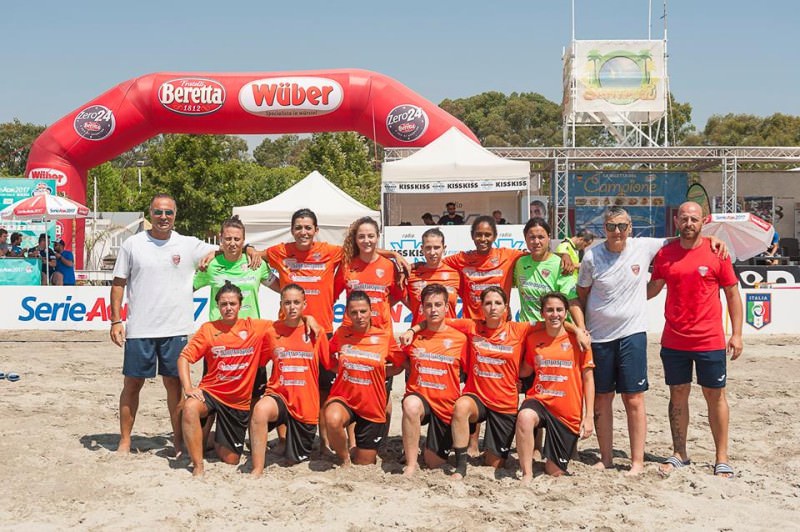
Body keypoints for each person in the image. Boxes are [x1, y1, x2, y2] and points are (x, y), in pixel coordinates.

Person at [577, 206, 725, 476]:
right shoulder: (591, 257)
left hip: (632, 334)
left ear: (630, 227)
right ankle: (606, 458)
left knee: (634, 399)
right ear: (604, 229)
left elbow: (684, 236)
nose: (617, 231)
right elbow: (581, 295)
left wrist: (713, 238)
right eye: (611, 226)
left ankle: (636, 462)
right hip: (598, 337)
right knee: (602, 399)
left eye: (622, 226)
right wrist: (583, 327)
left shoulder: (644, 246)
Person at [403, 287, 589, 479]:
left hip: (504, 404)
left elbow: (551, 321)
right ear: (481, 307)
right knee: (461, 406)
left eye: (498, 303)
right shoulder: (471, 326)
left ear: (506, 308)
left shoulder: (519, 329)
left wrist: (577, 330)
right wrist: (412, 328)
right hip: (477, 398)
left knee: (494, 463)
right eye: (488, 303)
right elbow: (435, 319)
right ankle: (460, 467)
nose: (493, 307)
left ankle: (488, 448)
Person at [110, 194, 221, 455]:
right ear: (150, 214)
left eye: (168, 213)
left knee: (175, 385)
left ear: (175, 215)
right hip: (140, 329)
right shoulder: (133, 245)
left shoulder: (188, 244)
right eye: (158, 212)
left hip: (176, 329)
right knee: (132, 384)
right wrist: (116, 320)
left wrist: (213, 253)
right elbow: (118, 284)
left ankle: (179, 441)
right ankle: (125, 440)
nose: (163, 217)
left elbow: (225, 248)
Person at [647, 201, 743, 478]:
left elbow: (733, 295)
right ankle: (680, 453)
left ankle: (721, 457)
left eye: (694, 219)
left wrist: (736, 334)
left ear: (703, 222)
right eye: (684, 219)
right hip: (674, 340)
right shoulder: (665, 254)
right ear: (676, 221)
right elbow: (653, 289)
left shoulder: (717, 252)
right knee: (677, 395)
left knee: (715, 396)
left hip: (710, 340)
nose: (689, 223)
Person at [178, 282, 270, 476]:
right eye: (223, 304)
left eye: (232, 304)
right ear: (217, 306)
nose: (228, 308)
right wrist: (188, 387)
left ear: (240, 305)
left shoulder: (255, 327)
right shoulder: (208, 329)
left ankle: (212, 438)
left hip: (237, 403)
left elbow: (285, 324)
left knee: (230, 459)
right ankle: (198, 466)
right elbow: (184, 358)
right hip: (211, 393)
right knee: (190, 407)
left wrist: (309, 318)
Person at [249, 284, 330, 475]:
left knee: (293, 461)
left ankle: (293, 443)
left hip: (305, 406)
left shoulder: (316, 333)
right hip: (280, 396)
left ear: (304, 304)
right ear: (281, 305)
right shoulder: (271, 332)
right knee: (260, 410)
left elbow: (330, 365)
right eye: (287, 303)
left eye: (296, 302)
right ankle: (257, 468)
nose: (292, 307)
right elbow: (258, 362)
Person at [516, 292, 595, 480]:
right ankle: (526, 473)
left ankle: (554, 458)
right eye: (549, 310)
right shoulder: (533, 339)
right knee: (525, 416)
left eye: (559, 310)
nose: (555, 314)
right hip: (540, 400)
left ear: (566, 313)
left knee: (554, 472)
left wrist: (589, 416)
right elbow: (525, 370)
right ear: (542, 314)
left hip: (566, 412)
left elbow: (588, 379)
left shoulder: (579, 341)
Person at [322, 291, 405, 466]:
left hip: (371, 406)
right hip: (345, 398)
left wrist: (378, 373)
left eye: (363, 311)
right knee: (332, 418)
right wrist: (343, 368)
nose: (359, 316)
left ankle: (359, 452)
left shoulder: (384, 337)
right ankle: (344, 459)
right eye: (354, 312)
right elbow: (328, 358)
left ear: (371, 311)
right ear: (347, 314)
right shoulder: (342, 333)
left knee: (364, 462)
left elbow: (398, 365)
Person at [397, 284, 468, 477]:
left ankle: (433, 448)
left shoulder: (461, 339)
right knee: (410, 404)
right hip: (421, 399)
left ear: (447, 307)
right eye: (428, 305)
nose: (433, 310)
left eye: (438, 305)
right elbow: (398, 363)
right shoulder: (411, 338)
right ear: (422, 309)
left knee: (433, 462)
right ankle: (411, 464)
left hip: (446, 407)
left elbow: (471, 371)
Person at [442, 216, 526, 320]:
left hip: (499, 324)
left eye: (487, 235)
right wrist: (417, 265)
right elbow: (436, 264)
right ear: (472, 236)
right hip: (472, 325)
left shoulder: (507, 255)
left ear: (495, 236)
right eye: (478, 235)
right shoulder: (462, 258)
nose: (483, 239)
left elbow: (535, 256)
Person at [194, 215, 273, 321]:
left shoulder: (257, 263)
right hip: (220, 332)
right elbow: (186, 289)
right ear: (220, 238)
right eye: (227, 239)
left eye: (236, 239)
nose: (232, 243)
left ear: (244, 240)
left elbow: (283, 288)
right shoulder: (210, 265)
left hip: (250, 332)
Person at [515, 218, 584, 327]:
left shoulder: (560, 264)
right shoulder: (520, 263)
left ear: (549, 237)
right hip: (527, 331)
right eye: (532, 237)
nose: (536, 242)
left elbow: (571, 301)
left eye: (541, 237)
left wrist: (581, 329)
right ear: (525, 238)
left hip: (553, 331)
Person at [404, 228, 459, 326]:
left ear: (444, 248)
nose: (432, 252)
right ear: (422, 249)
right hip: (420, 337)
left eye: (437, 247)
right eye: (428, 248)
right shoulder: (410, 275)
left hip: (449, 336)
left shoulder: (456, 274)